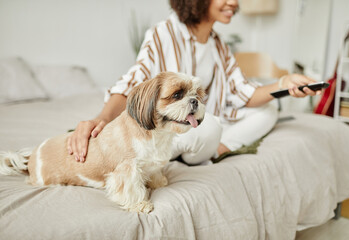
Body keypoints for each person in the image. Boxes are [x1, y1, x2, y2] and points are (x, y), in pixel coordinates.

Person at [67, 0, 320, 165]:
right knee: (208, 126)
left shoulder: (218, 44)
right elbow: (135, 80)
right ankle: (205, 144)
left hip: (201, 123)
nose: (233, 3)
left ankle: (218, 147)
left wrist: (283, 83)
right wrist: (101, 118)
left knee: (268, 110)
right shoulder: (163, 33)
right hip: (176, 128)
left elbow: (243, 91)